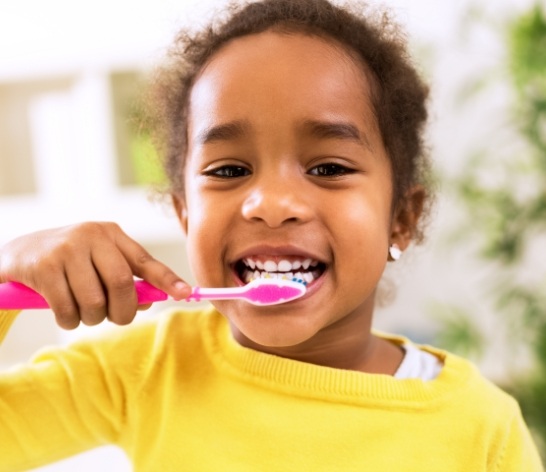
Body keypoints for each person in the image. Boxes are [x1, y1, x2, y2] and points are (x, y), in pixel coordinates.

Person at [0, 0, 542, 470]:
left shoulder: (480, 428)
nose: (272, 205)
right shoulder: (146, 369)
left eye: (328, 168)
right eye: (229, 171)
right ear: (185, 215)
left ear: (401, 217)